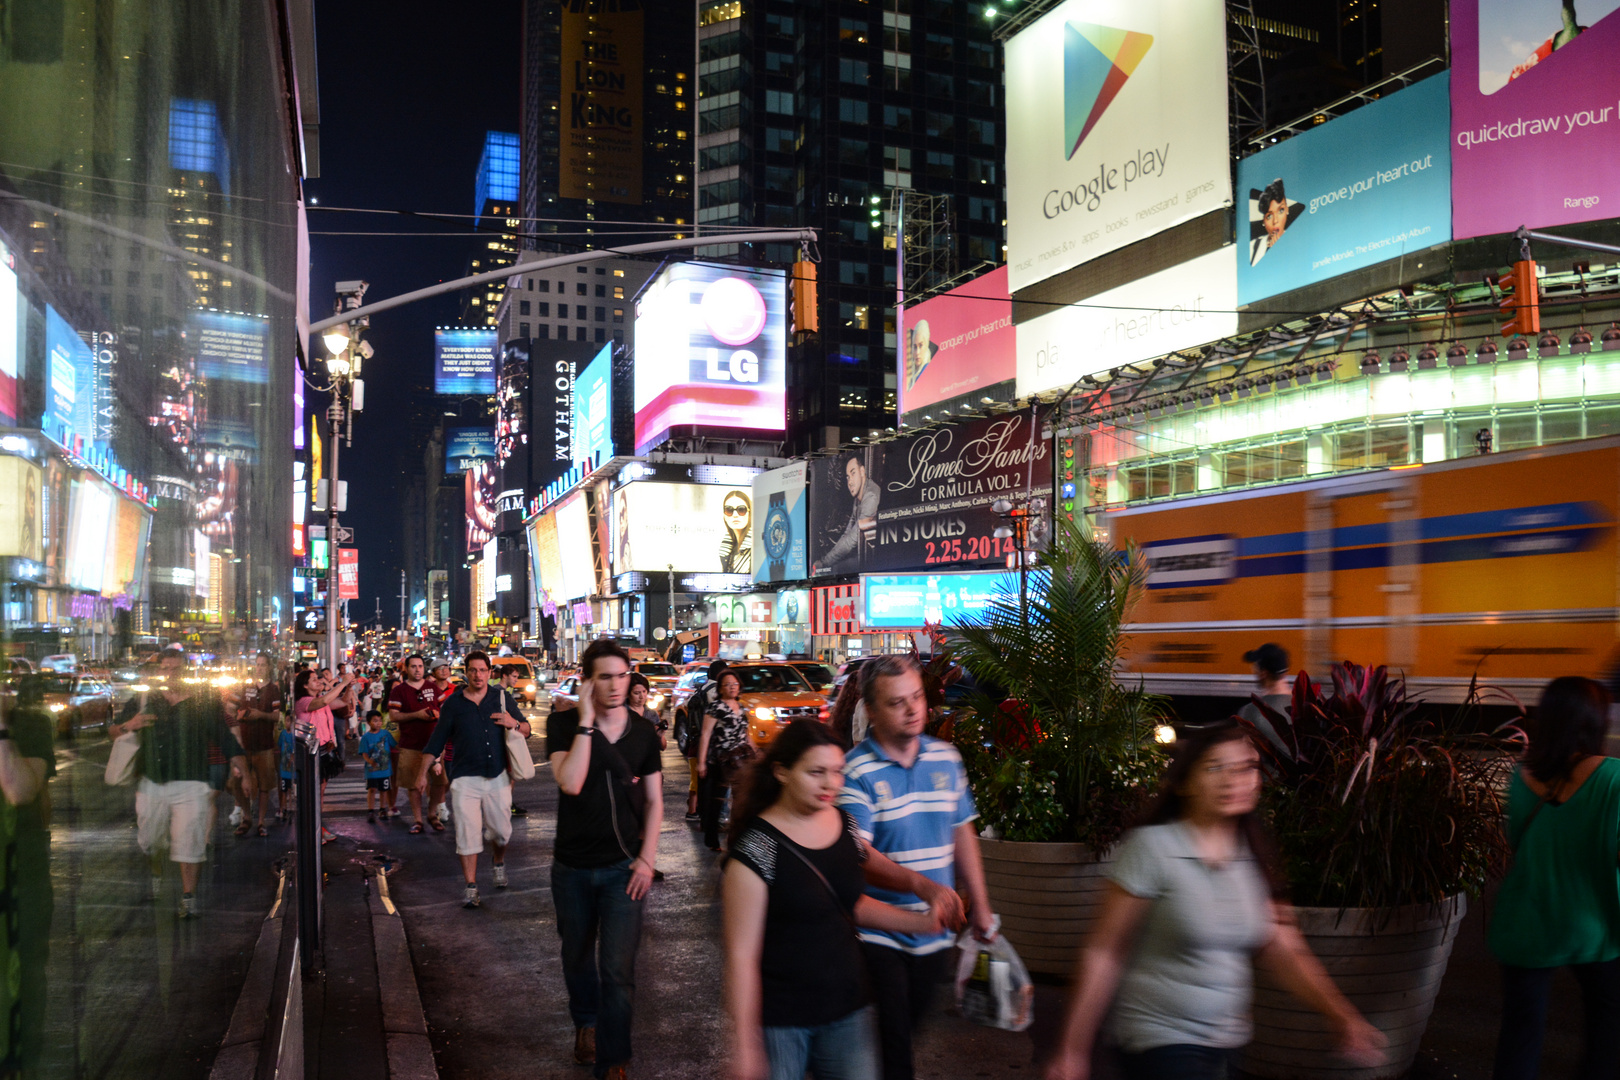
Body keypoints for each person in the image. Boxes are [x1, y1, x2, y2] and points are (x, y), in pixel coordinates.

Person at [1043, 720, 1385, 1080]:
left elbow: (1283, 948)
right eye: (1215, 767)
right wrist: (1072, 1050)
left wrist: (1342, 1016)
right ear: (1186, 783)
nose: (1232, 779)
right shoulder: (1153, 848)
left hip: (1226, 1043)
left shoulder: (1251, 856)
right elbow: (1104, 950)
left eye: (1246, 768)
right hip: (1159, 1041)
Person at [723, 721, 944, 1080]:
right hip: (782, 1022)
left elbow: (847, 903)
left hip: (849, 1010)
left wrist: (922, 919)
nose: (831, 784)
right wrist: (745, 1043)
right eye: (816, 773)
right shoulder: (757, 850)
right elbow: (741, 957)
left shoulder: (844, 823)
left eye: (838, 771)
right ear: (782, 772)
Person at [837, 654, 995, 1080]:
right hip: (879, 930)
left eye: (917, 697)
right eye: (896, 702)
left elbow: (963, 831)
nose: (912, 709)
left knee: (908, 1028)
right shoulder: (856, 771)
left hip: (935, 930)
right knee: (896, 1040)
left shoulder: (947, 759)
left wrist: (980, 905)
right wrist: (924, 887)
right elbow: (858, 853)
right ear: (870, 710)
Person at [1489, 676, 1620, 1079]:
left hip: (1527, 922)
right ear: (1595, 722)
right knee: (1607, 1030)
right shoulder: (1614, 777)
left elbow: (1516, 843)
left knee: (1521, 1033)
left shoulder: (1521, 775)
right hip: (1594, 923)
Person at [546, 640, 663, 1079]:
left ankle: (613, 1059)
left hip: (623, 870)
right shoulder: (563, 726)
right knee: (576, 956)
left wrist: (647, 859)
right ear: (587, 681)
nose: (616, 685)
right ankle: (587, 1024)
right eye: (604, 677)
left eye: (622, 675)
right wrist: (586, 723)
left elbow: (653, 802)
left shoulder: (644, 733)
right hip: (572, 867)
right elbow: (571, 783)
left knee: (617, 971)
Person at [108, 647, 247, 918]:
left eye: (176, 669)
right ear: (158, 671)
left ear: (185, 673)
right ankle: (157, 873)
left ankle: (188, 898)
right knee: (150, 839)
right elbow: (113, 731)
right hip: (152, 783)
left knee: (190, 842)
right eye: (165, 669)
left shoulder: (201, 701)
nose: (170, 674)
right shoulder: (145, 699)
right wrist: (130, 725)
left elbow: (224, 737)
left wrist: (245, 771)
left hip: (192, 783)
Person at [424, 652, 531, 909]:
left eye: (482, 670)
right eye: (472, 670)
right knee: (467, 834)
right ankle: (471, 887)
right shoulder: (453, 704)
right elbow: (436, 740)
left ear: (489, 672)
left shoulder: (501, 698)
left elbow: (526, 729)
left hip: (497, 776)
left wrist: (512, 722)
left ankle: (498, 863)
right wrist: (421, 775)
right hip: (464, 779)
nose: (477, 675)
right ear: (466, 673)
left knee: (501, 833)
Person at [1, 674, 56, 1074]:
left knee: (27, 975)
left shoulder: (31, 725)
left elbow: (19, 789)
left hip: (22, 870)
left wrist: (2, 729)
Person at [294, 666, 354, 844]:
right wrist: (343, 682)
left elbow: (342, 702)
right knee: (312, 794)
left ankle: (318, 826)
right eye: (314, 680)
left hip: (325, 751)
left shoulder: (320, 699)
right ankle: (312, 829)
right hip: (311, 754)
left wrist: (349, 687)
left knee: (319, 793)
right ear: (305, 686)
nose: (319, 681)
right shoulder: (304, 702)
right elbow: (324, 701)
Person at [389, 655, 444, 834]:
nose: (417, 670)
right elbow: (393, 716)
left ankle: (432, 814)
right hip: (410, 744)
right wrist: (416, 715)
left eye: (420, 666)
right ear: (406, 668)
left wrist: (437, 715)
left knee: (440, 782)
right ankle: (418, 819)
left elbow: (445, 710)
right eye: (413, 666)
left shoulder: (432, 688)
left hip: (434, 744)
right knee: (414, 785)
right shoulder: (399, 690)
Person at [698, 669, 752, 852]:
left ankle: (736, 838)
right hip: (722, 759)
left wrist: (756, 751)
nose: (732, 688)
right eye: (727, 685)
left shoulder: (741, 706)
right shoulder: (716, 707)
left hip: (742, 757)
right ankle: (712, 839)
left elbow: (745, 733)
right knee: (718, 800)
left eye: (735, 684)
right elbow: (705, 735)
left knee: (741, 799)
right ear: (720, 688)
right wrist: (701, 762)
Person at [234, 652, 284, 837]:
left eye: (263, 664)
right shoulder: (246, 686)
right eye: (258, 664)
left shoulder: (273, 690)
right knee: (238, 782)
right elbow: (236, 707)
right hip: (245, 744)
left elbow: (277, 715)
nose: (260, 667)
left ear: (269, 667)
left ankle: (261, 822)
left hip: (264, 744)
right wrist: (240, 714)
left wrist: (260, 715)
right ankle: (246, 817)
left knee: (265, 785)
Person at [813, 453, 880, 575]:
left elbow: (853, 539)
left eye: (853, 473)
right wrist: (824, 562)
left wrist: (825, 563)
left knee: (835, 570)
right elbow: (847, 532)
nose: (850, 481)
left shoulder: (870, 496)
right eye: (847, 477)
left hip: (879, 560)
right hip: (868, 556)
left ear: (862, 471)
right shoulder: (858, 497)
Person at [1236, 642, 1292, 758]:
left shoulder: (1250, 712)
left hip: (1266, 776)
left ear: (1263, 673)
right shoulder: (1305, 706)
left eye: (1255, 667)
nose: (1253, 671)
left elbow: (1244, 754)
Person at [495, 663, 532, 817]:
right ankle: (506, 804)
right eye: (515, 676)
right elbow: (521, 721)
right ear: (505, 675)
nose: (517, 680)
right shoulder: (503, 694)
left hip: (493, 738)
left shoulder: (491, 690)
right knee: (510, 773)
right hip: (503, 739)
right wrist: (520, 725)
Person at [428, 657, 457, 825]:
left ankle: (439, 802)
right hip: (434, 734)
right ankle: (439, 805)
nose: (444, 670)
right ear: (433, 673)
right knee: (437, 775)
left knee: (450, 775)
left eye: (446, 667)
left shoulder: (455, 689)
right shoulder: (429, 690)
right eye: (439, 668)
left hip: (453, 736)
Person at [359, 709, 397, 823]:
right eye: (375, 721)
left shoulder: (386, 734)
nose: (378, 723)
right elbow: (364, 753)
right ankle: (370, 810)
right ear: (369, 722)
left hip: (385, 770)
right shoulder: (366, 737)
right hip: (371, 771)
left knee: (384, 790)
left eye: (380, 720)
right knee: (372, 789)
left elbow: (395, 745)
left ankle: (382, 809)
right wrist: (370, 761)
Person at [627, 673, 668, 752]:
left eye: (644, 691)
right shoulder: (622, 713)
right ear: (628, 694)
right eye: (636, 693)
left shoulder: (652, 714)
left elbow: (662, 747)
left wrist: (660, 736)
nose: (642, 696)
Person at [719, 490, 753, 574]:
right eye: (729, 510)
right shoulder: (726, 549)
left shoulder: (758, 546)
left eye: (741, 509)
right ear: (724, 515)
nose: (735, 515)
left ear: (750, 513)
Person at [277, 720, 298, 821]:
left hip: (291, 768)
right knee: (284, 788)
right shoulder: (283, 734)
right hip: (284, 766)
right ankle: (284, 808)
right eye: (287, 720)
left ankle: (290, 808)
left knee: (290, 789)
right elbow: (279, 745)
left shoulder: (294, 735)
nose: (288, 723)